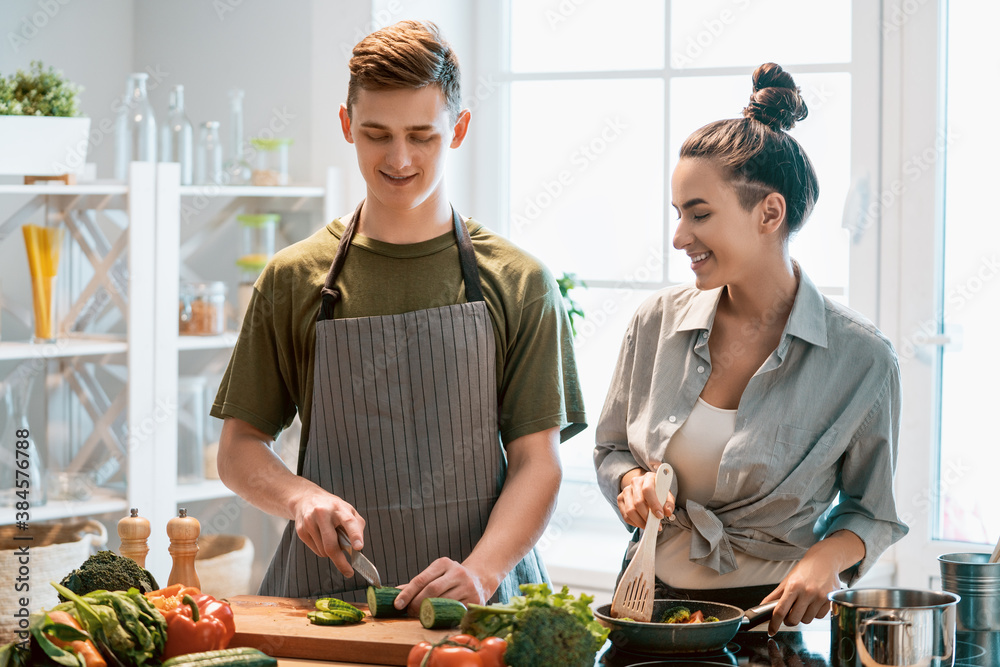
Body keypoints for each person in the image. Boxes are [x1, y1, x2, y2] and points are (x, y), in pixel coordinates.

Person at [212, 20, 585, 611]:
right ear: (345, 125)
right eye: (376, 134)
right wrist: (300, 497)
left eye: (422, 135)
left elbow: (538, 464)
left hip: (481, 606)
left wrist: (482, 572)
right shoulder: (292, 278)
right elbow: (238, 449)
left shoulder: (520, 281)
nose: (400, 158)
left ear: (458, 129)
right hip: (329, 605)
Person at [594, 63, 907, 635]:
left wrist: (828, 559)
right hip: (646, 608)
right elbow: (612, 448)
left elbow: (873, 511)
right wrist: (629, 484)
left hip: (771, 618)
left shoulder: (861, 359)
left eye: (700, 214)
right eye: (678, 213)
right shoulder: (653, 324)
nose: (679, 237)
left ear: (769, 212)